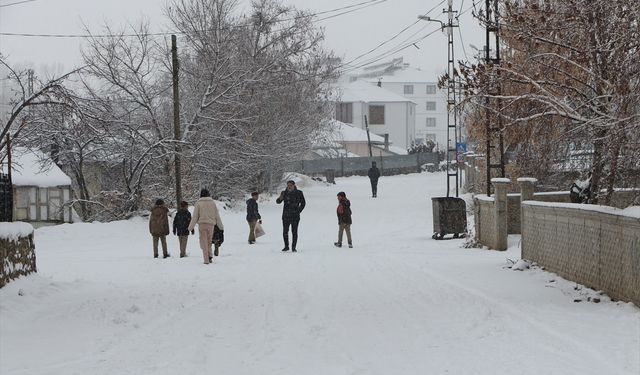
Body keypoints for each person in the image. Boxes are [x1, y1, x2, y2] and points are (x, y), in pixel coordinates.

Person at [188, 189, 224, 264]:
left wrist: (190, 227)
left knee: (203, 242)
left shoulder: (198, 203)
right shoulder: (212, 203)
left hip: (202, 224)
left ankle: (206, 259)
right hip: (211, 225)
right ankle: (210, 255)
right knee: (209, 241)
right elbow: (217, 215)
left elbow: (195, 216)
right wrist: (221, 227)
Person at [276, 180, 306, 252]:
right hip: (286, 215)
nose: (289, 187)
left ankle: (293, 247)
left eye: (290, 185)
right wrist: (280, 198)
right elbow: (278, 202)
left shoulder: (299, 193)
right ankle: (286, 246)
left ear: (294, 185)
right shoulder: (284, 193)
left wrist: (299, 210)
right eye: (288, 185)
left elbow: (303, 203)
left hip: (295, 215)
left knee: (294, 232)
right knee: (285, 231)